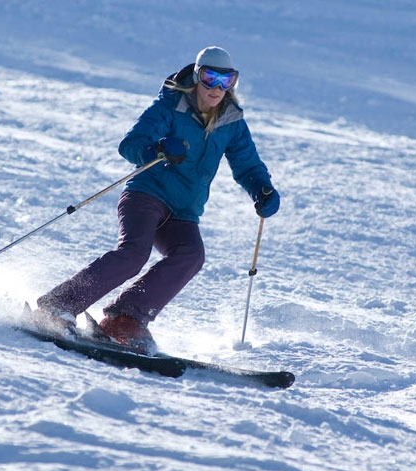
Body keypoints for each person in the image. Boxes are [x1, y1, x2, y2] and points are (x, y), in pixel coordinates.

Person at [33, 46, 280, 354]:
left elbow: (247, 165)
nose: (216, 88)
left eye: (226, 81)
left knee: (190, 255)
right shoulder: (169, 106)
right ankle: (58, 306)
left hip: (184, 210)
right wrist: (157, 149)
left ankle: (125, 319)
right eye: (209, 78)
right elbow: (131, 144)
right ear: (196, 76)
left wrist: (261, 188)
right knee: (134, 253)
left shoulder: (231, 122)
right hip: (146, 194)